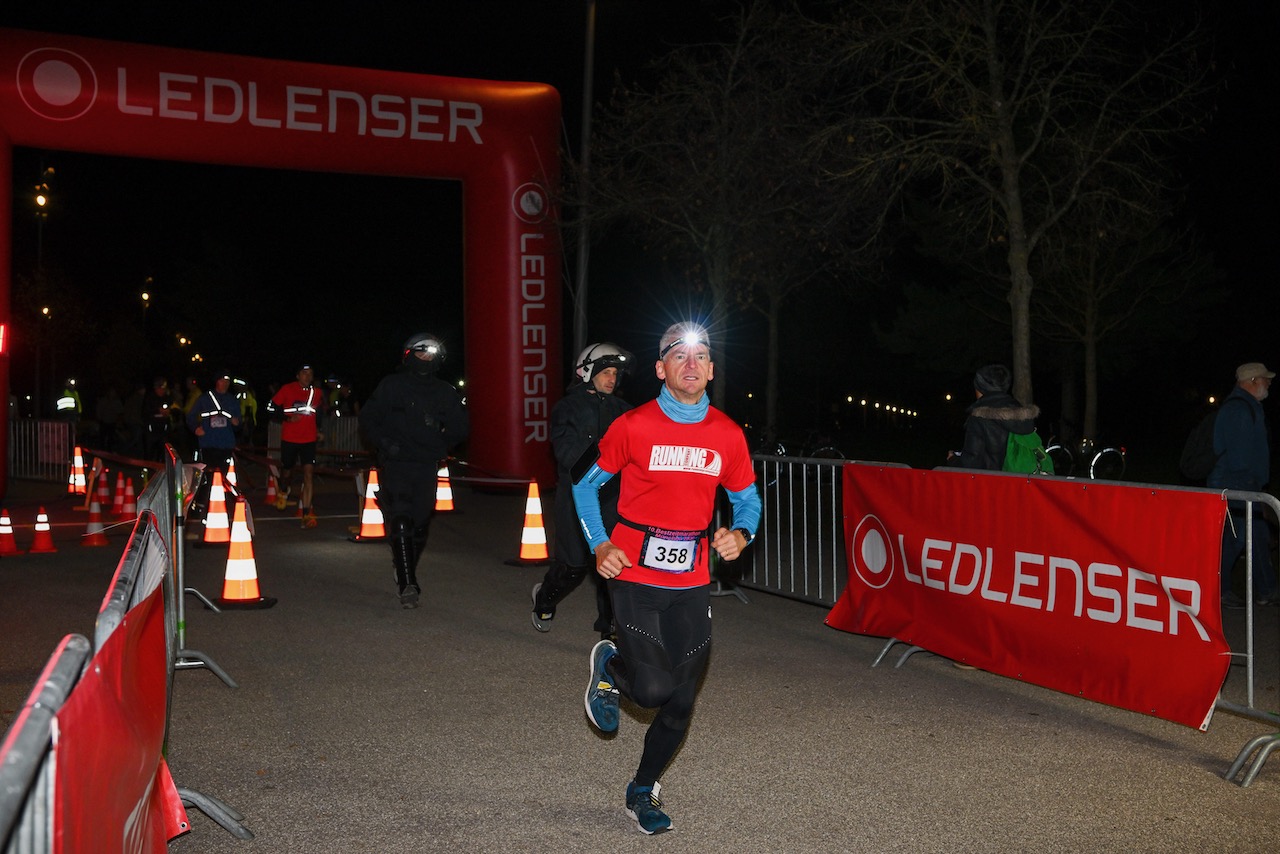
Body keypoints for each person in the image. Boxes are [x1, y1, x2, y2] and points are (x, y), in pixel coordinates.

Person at [574, 321, 760, 834]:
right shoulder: (631, 425)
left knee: (681, 700)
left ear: (712, 370)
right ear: (661, 369)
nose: (691, 363)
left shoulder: (726, 434)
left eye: (701, 355)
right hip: (633, 572)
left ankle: (643, 790)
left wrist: (741, 533)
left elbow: (746, 499)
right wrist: (600, 543)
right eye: (679, 354)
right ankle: (611, 666)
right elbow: (584, 487)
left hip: (692, 581)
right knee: (654, 689)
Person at [531, 342, 633, 638]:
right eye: (606, 372)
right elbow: (566, 450)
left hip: (614, 498)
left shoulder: (625, 411)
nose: (612, 379)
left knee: (613, 564)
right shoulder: (568, 407)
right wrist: (605, 461)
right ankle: (545, 598)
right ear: (588, 371)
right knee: (573, 565)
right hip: (576, 496)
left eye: (616, 373)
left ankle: (610, 631)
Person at [360, 333, 469, 608]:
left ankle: (403, 563)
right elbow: (369, 420)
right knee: (400, 516)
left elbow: (460, 426)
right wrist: (385, 444)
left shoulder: (444, 391)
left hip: (426, 465)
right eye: (421, 353)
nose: (426, 358)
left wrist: (441, 443)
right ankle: (408, 583)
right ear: (409, 355)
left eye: (431, 354)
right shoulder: (391, 385)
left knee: (419, 522)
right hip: (396, 463)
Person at [1210, 362, 1279, 608]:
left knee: (1258, 536)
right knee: (1236, 538)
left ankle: (1268, 590)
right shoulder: (1239, 409)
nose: (1269, 382)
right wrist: (1250, 484)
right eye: (1265, 379)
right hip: (1236, 482)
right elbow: (1239, 459)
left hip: (1245, 482)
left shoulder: (1248, 406)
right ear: (1251, 382)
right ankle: (1217, 591)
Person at [945, 364, 1040, 470]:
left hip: (990, 482)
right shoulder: (1023, 415)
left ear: (981, 387)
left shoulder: (979, 417)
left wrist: (953, 460)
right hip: (1018, 482)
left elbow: (971, 463)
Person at [267, 365, 326, 528]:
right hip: (290, 439)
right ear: (298, 375)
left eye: (310, 374)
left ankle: (306, 513)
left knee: (308, 474)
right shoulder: (287, 389)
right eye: (304, 373)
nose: (307, 377)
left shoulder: (317, 393)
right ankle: (284, 489)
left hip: (308, 440)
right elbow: (270, 408)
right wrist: (286, 419)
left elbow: (318, 413)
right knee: (287, 470)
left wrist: (319, 431)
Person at [186, 371, 242, 520]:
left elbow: (239, 423)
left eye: (227, 382)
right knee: (207, 477)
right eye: (222, 381)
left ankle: (216, 506)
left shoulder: (232, 400)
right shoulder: (204, 399)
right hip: (208, 444)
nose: (225, 384)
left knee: (222, 478)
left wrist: (237, 423)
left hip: (226, 444)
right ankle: (199, 506)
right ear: (216, 382)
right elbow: (190, 416)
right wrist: (196, 428)